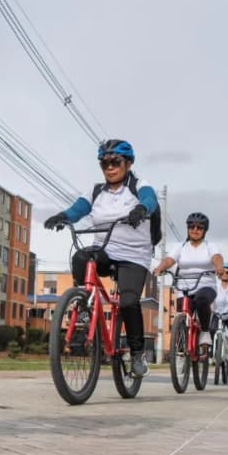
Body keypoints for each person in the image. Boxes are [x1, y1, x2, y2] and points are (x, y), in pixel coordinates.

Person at [44, 140, 158, 377]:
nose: (110, 167)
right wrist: (63, 216)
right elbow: (79, 209)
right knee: (80, 257)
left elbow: (150, 200)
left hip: (134, 256)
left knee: (127, 302)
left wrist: (141, 210)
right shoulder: (96, 191)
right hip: (104, 249)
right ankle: (83, 306)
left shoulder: (139, 185)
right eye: (104, 163)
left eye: (115, 162)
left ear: (128, 163)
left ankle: (138, 354)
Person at [152, 213, 224, 354]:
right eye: (191, 226)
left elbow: (217, 258)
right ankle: (182, 343)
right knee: (182, 313)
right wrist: (161, 267)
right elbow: (170, 260)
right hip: (184, 287)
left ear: (204, 230)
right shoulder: (181, 246)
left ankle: (204, 332)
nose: (195, 229)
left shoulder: (210, 246)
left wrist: (219, 267)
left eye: (199, 227)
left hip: (205, 285)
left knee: (202, 300)